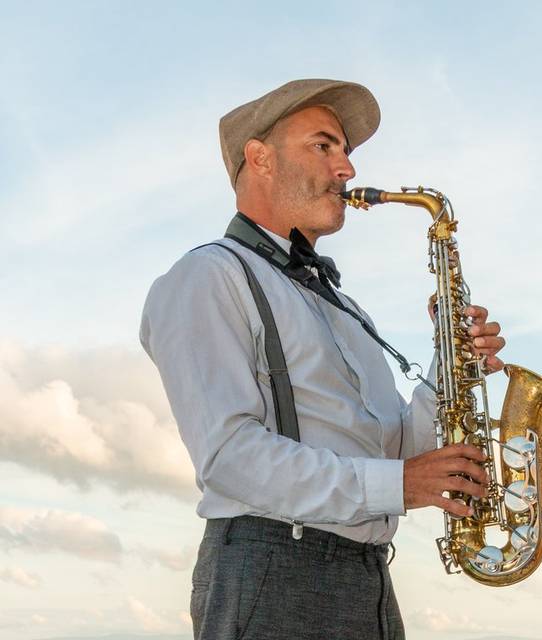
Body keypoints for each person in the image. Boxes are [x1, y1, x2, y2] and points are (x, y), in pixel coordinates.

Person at [140, 79, 506, 640]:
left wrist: (450, 365)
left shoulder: (343, 307)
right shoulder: (208, 276)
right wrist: (399, 485)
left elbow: (394, 449)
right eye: (324, 145)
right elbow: (229, 456)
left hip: (367, 577)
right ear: (259, 158)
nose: (347, 169)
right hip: (273, 568)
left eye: (346, 152)